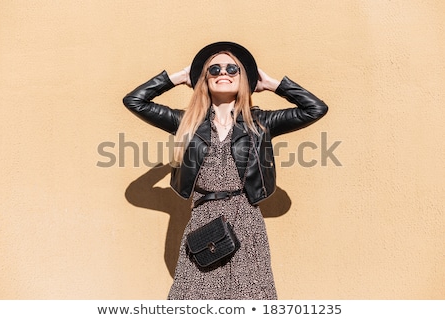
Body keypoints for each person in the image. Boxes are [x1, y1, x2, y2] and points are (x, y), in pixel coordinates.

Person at [123, 41, 328, 299]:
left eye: (233, 69)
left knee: (250, 297)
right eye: (214, 69)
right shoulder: (187, 122)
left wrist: (274, 84)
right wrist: (178, 77)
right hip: (202, 220)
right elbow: (134, 101)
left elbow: (315, 109)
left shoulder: (260, 122)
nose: (223, 73)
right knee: (193, 298)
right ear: (204, 79)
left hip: (246, 220)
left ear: (244, 78)